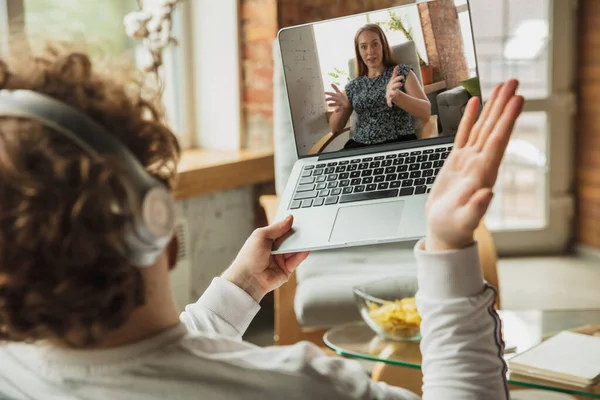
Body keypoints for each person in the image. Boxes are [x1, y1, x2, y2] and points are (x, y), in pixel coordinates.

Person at [0, 44, 524, 400]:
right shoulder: (306, 387)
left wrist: (240, 286)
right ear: (156, 221)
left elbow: (143, 365)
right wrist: (447, 245)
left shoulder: (13, 367)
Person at [325, 24, 432, 149]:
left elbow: (426, 112)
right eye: (364, 47)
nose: (370, 51)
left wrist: (398, 96)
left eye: (375, 44)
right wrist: (341, 110)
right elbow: (335, 128)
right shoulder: (353, 86)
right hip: (359, 148)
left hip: (398, 144)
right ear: (359, 52)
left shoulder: (401, 72)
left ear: (383, 45)